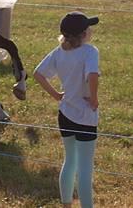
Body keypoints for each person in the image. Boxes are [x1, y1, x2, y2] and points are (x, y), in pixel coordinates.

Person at [34, 12, 101, 208]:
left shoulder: (58, 52)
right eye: (89, 28)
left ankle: (66, 204)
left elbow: (38, 74)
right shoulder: (90, 52)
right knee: (85, 167)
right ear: (83, 34)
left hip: (65, 114)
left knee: (70, 159)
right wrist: (94, 98)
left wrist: (56, 95)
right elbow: (93, 75)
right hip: (85, 115)